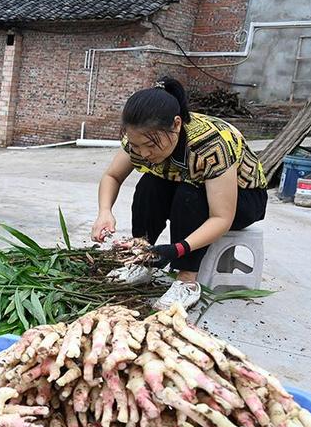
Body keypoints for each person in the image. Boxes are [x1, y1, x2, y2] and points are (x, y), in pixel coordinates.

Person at [91, 76, 267, 310]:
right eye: (136, 146)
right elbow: (112, 176)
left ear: (176, 125)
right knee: (149, 185)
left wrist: (176, 250)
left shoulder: (210, 145)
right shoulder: (138, 138)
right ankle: (142, 259)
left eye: (151, 146)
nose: (143, 153)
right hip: (190, 186)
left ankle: (187, 281)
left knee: (189, 193)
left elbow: (221, 217)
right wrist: (105, 212)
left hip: (243, 200)